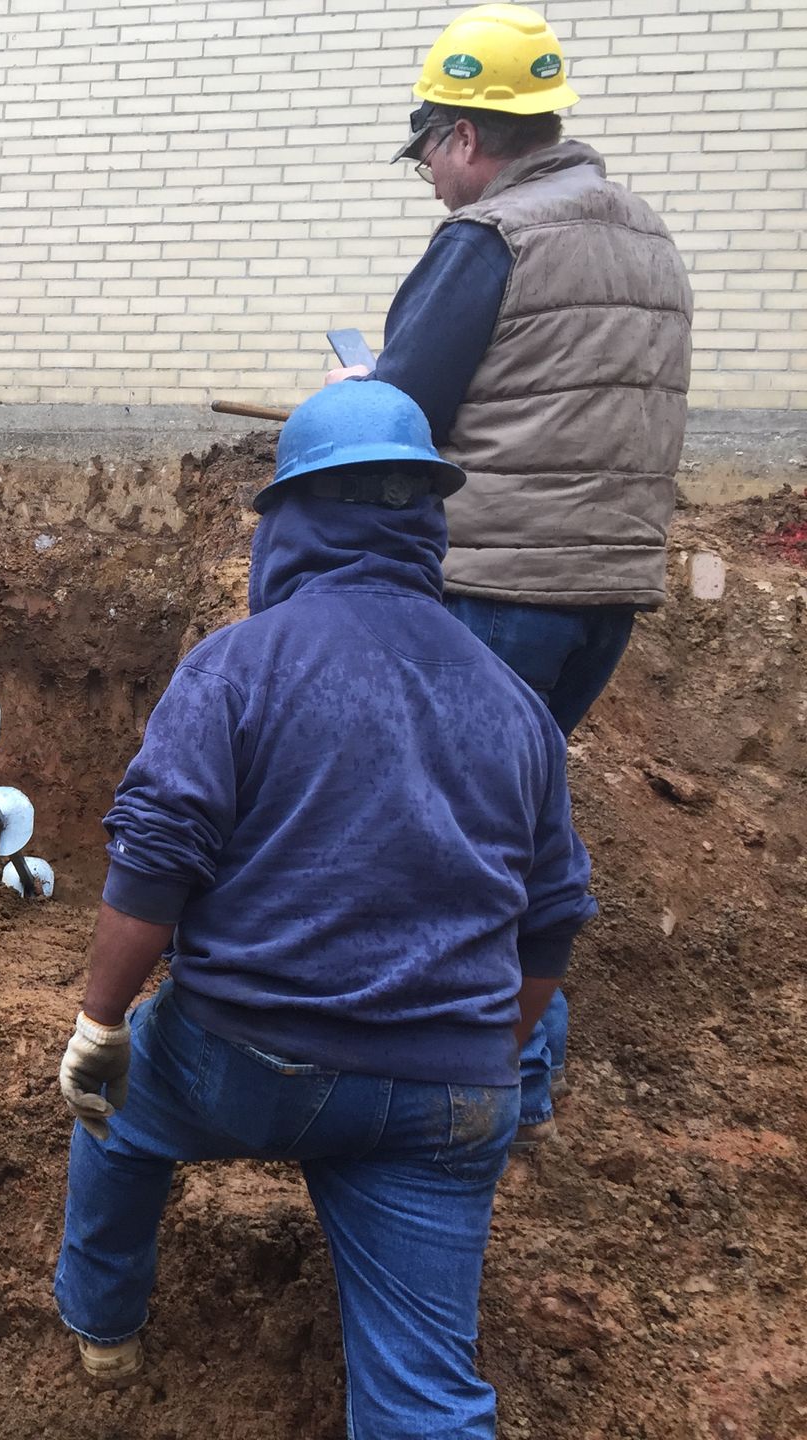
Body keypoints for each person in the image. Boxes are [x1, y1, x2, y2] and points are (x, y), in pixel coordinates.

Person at [53, 382, 596, 1437]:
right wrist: (484, 1052)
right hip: (447, 1098)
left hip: (248, 1058)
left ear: (290, 520)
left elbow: (155, 860)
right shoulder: (514, 702)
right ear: (428, 522)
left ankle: (103, 1327)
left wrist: (100, 1022)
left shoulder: (238, 666)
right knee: (426, 1393)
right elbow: (552, 919)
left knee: (112, 1114)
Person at [328, 2, 692, 1145]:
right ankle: (515, 1086)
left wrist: (356, 397)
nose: (432, 181)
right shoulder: (646, 236)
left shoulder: (492, 239)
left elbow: (402, 417)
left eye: (428, 156)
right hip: (606, 594)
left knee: (447, 839)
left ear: (464, 137)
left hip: (496, 588)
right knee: (517, 819)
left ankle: (456, 1092)